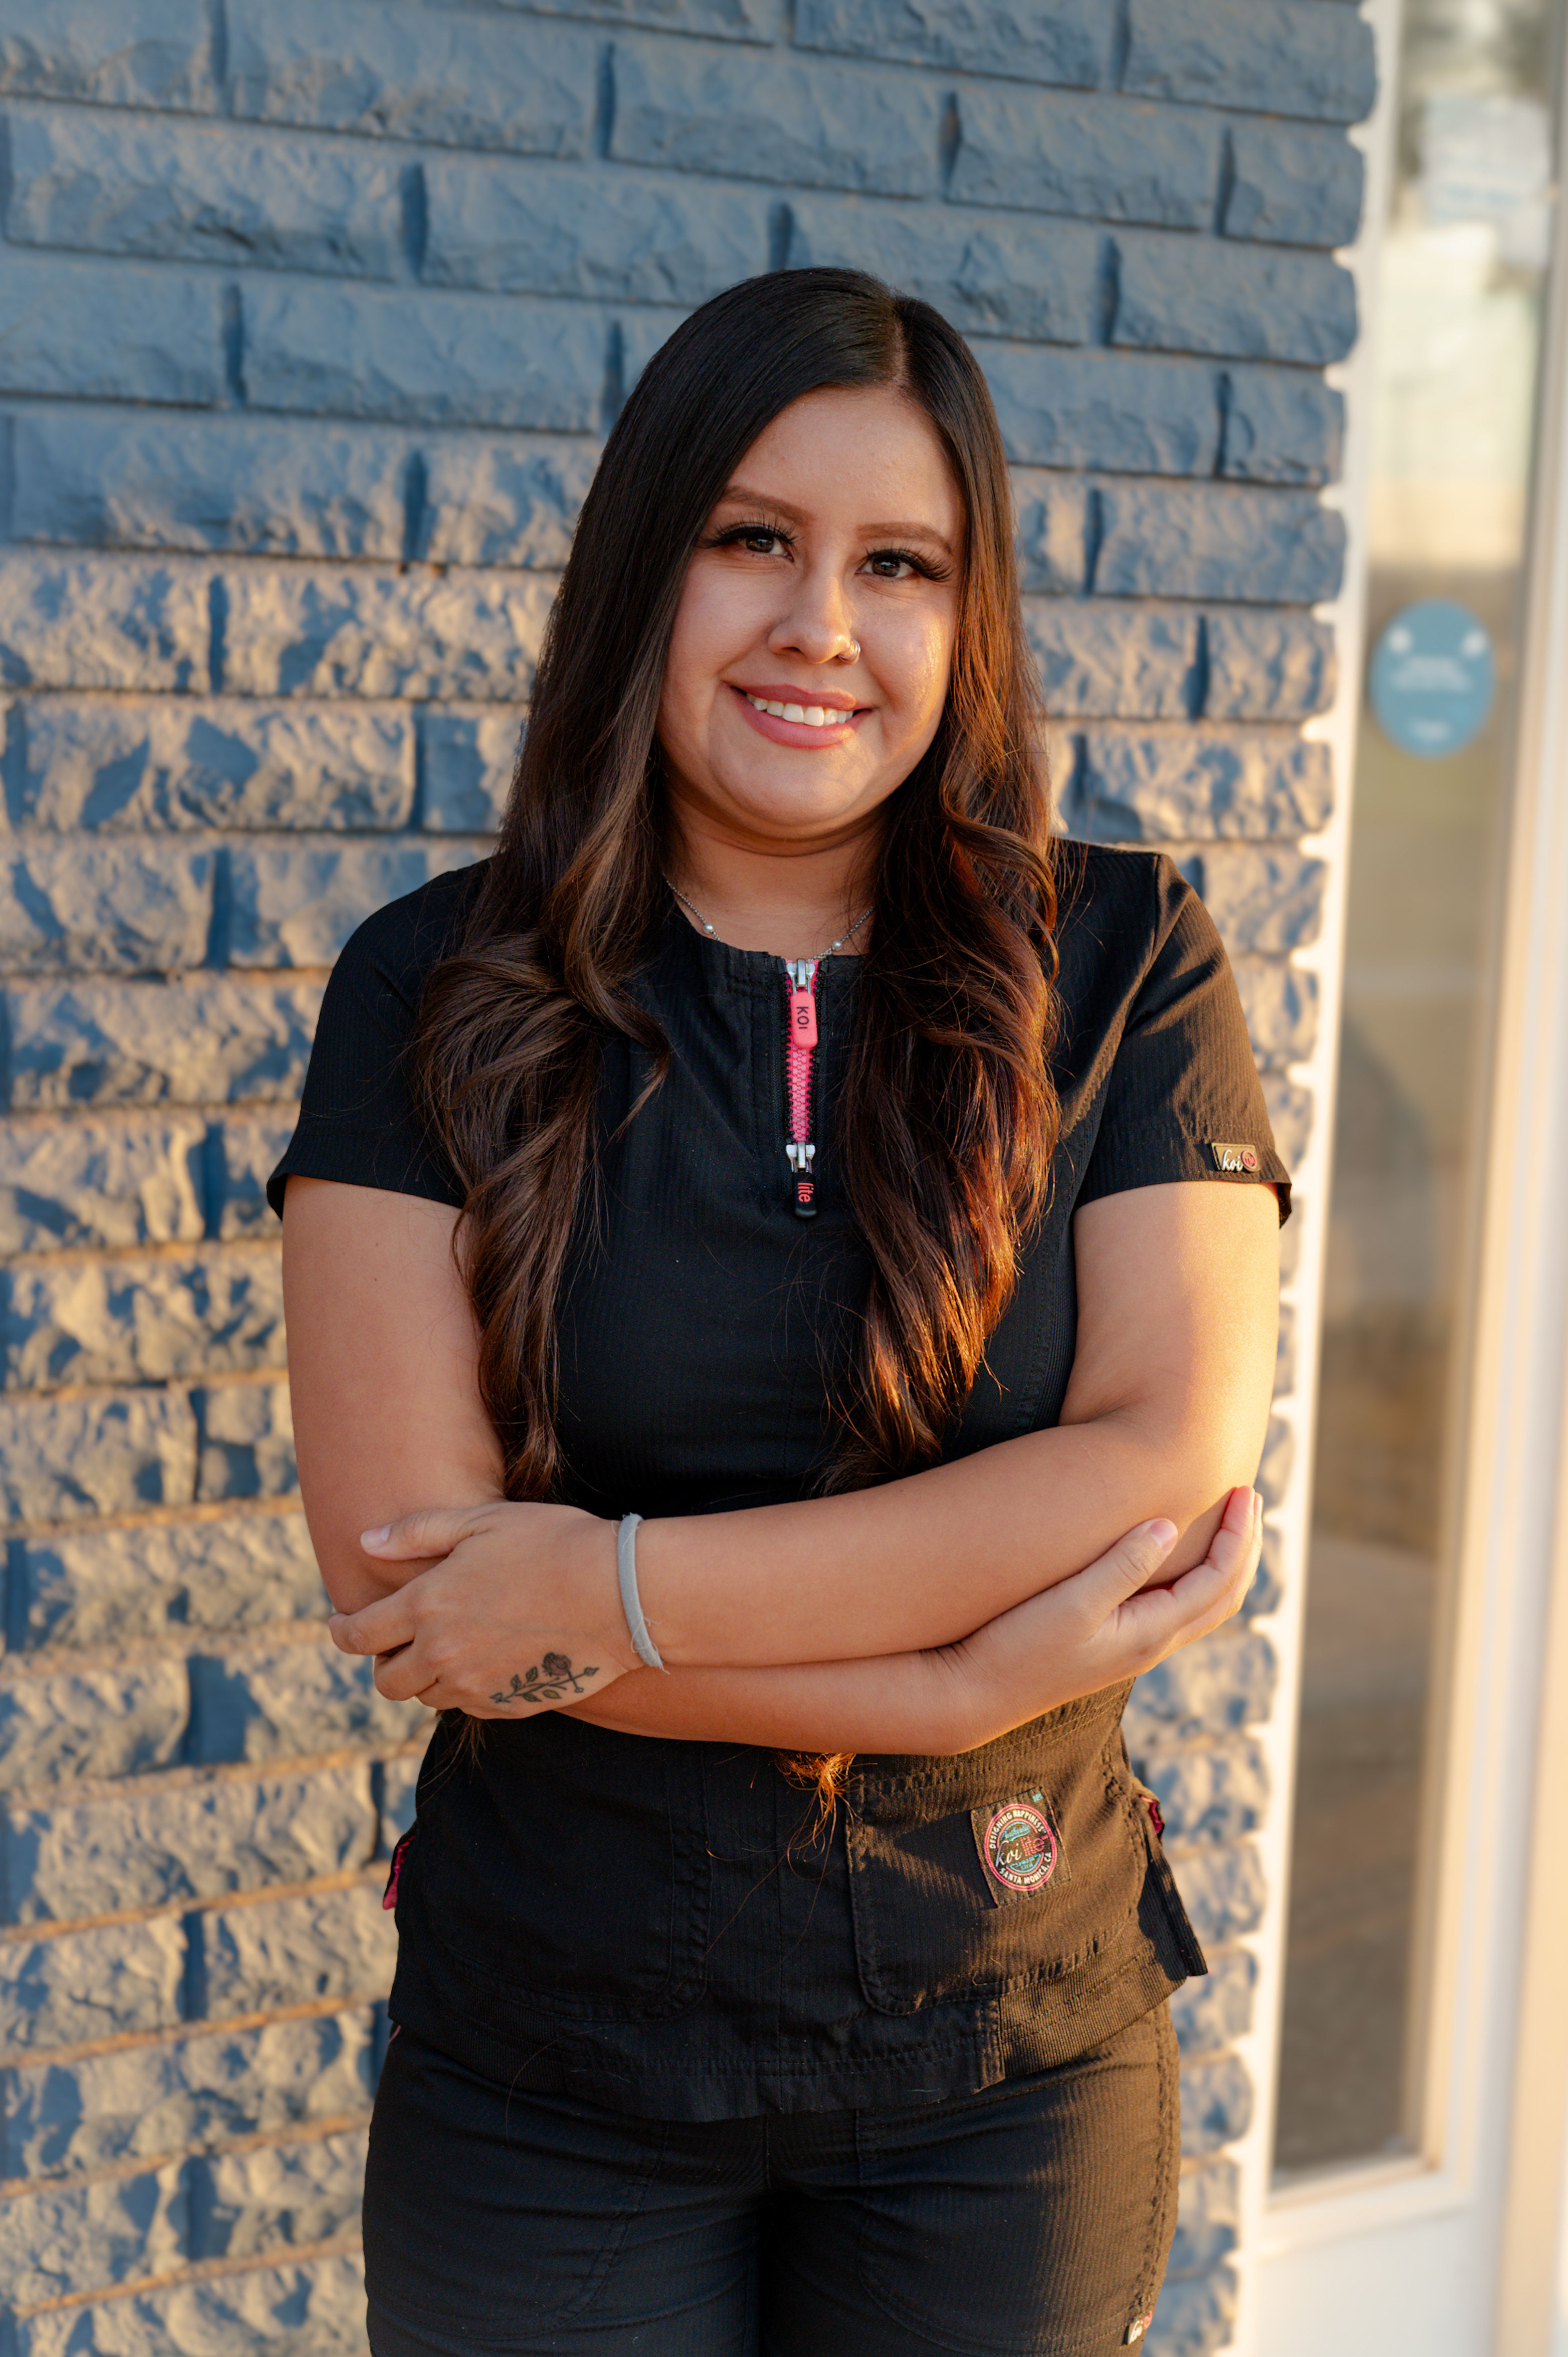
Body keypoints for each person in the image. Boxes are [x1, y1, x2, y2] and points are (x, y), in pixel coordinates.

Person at [272, 268, 1286, 2357]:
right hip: (555, 2071)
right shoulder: (432, 992)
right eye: (756, 539)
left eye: (897, 565)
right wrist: (934, 1682)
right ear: (649, 568)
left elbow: (1159, 1455)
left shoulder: (1126, 961)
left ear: (963, 618)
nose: (824, 625)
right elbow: (425, 1594)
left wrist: (610, 1594)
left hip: (1004, 2055)